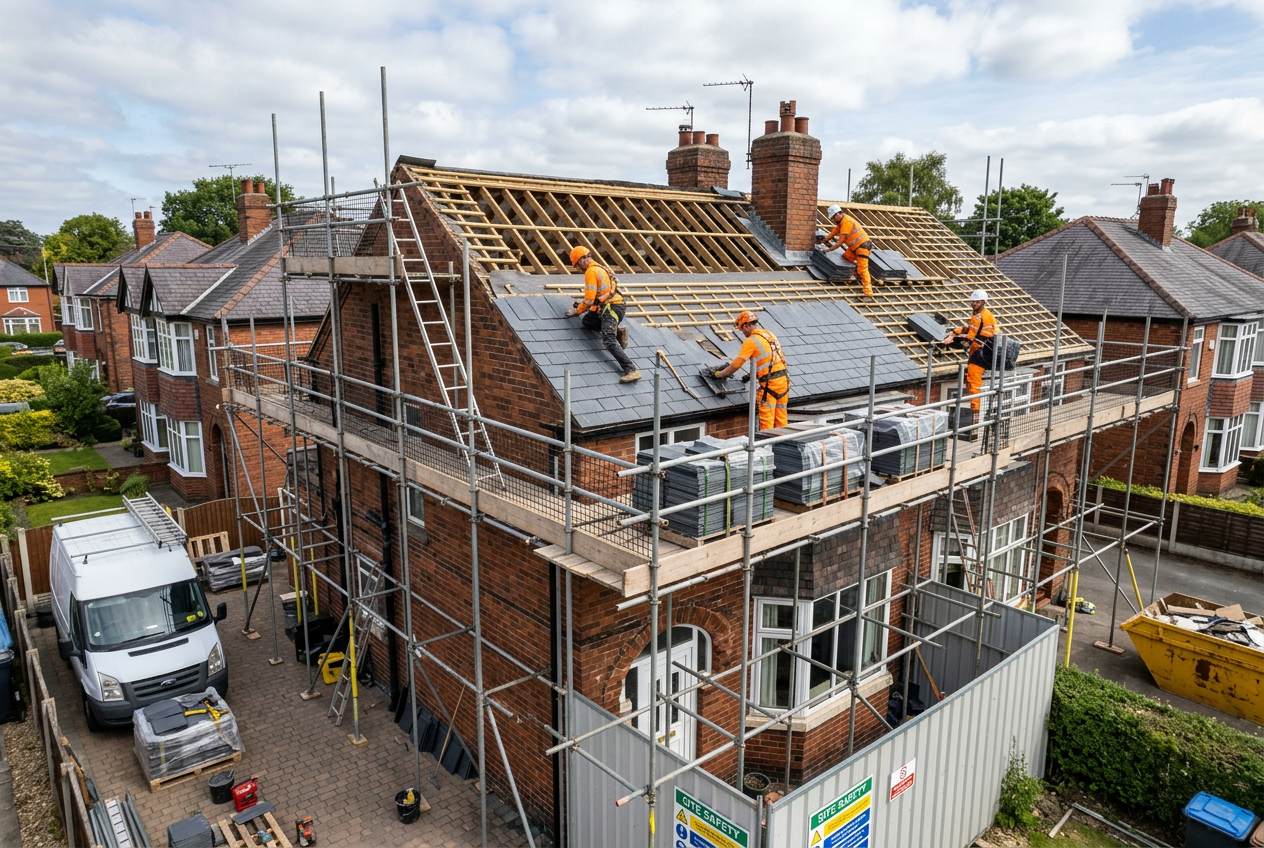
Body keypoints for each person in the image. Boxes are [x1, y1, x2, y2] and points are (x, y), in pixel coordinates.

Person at [564, 246, 640, 383]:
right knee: (588, 321)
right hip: (615, 305)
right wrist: (582, 306)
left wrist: (577, 310)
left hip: (612, 308)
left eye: (577, 264)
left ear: (583, 260)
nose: (577, 268)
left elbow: (589, 300)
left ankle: (631, 369)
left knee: (608, 340)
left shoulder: (591, 272)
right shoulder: (602, 268)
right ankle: (616, 330)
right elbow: (600, 296)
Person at [713, 311, 790, 430]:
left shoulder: (751, 341)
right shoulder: (769, 334)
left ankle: (767, 446)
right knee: (781, 420)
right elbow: (770, 359)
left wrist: (720, 375)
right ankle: (784, 444)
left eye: (742, 329)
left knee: (767, 422)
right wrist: (752, 374)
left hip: (770, 386)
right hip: (783, 382)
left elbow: (736, 365)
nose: (742, 333)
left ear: (746, 325)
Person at [940, 289, 996, 414]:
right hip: (975, 351)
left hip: (982, 353)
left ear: (982, 302)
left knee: (973, 379)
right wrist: (954, 332)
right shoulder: (977, 315)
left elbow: (979, 337)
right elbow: (969, 329)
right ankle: (973, 405)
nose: (973, 304)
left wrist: (957, 339)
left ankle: (975, 410)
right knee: (969, 378)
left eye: (976, 302)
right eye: (972, 302)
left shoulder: (986, 316)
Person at [817, 204, 873, 296]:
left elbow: (840, 242)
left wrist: (828, 250)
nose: (833, 220)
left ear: (837, 215)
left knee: (863, 269)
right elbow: (835, 231)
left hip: (863, 247)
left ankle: (868, 292)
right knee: (846, 258)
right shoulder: (841, 222)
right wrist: (826, 238)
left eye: (833, 218)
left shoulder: (847, 223)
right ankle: (854, 276)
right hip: (854, 248)